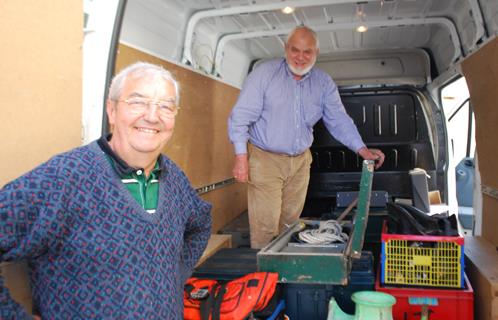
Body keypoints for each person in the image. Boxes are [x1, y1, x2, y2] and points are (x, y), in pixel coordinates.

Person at [0, 62, 212, 319]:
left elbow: (200, 223)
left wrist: (175, 274)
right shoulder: (64, 178)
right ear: (111, 110)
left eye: (166, 106)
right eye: (138, 102)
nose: (153, 116)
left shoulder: (175, 179)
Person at [228, 26, 385, 249]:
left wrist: (363, 150)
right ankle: (265, 280)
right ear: (286, 49)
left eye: (307, 52)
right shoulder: (264, 74)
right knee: (266, 227)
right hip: (265, 160)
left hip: (301, 161)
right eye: (295, 50)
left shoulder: (323, 83)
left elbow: (339, 120)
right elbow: (240, 117)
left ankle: (284, 275)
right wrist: (241, 157)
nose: (300, 57)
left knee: (290, 225)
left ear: (316, 53)